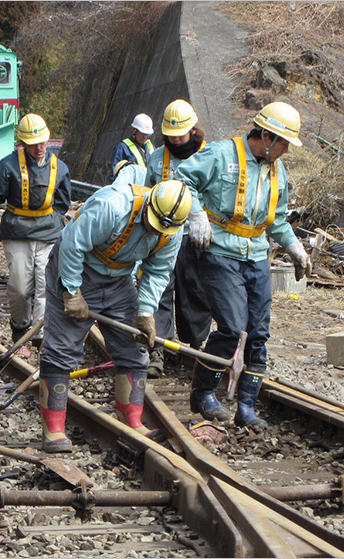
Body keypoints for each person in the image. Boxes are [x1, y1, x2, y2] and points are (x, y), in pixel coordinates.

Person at [175, 101, 312, 431]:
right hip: (219, 253)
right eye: (283, 143)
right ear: (266, 136)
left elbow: (276, 220)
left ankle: (247, 405)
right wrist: (196, 215)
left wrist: (295, 248)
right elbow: (182, 178)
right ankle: (204, 392)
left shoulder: (277, 171)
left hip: (256, 257)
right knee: (233, 327)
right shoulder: (221, 155)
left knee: (259, 333)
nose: (286, 151)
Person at [37, 178, 192, 452]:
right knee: (62, 350)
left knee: (134, 346)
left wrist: (145, 312)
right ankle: (53, 430)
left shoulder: (172, 232)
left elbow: (157, 272)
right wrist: (71, 291)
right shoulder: (111, 206)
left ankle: (131, 420)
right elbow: (73, 245)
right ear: (149, 204)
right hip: (77, 269)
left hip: (119, 281)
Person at [0, 114, 71, 346]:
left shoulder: (60, 168)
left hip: (48, 233)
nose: (39, 148)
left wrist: (57, 222)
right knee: (20, 287)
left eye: (42, 143)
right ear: (23, 143)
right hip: (17, 232)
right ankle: (20, 325)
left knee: (46, 285)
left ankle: (40, 334)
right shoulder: (8, 166)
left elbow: (63, 202)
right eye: (33, 144)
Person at [145, 99, 210, 377]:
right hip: (162, 236)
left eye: (180, 135)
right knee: (159, 290)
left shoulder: (210, 155)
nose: (175, 140)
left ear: (193, 130)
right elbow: (146, 191)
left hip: (194, 237)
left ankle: (196, 345)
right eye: (170, 136)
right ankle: (158, 348)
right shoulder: (157, 157)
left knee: (194, 292)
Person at [111, 113, 154, 179]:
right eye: (142, 133)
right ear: (134, 130)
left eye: (147, 134)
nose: (145, 137)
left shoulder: (152, 149)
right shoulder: (122, 148)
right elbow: (114, 176)